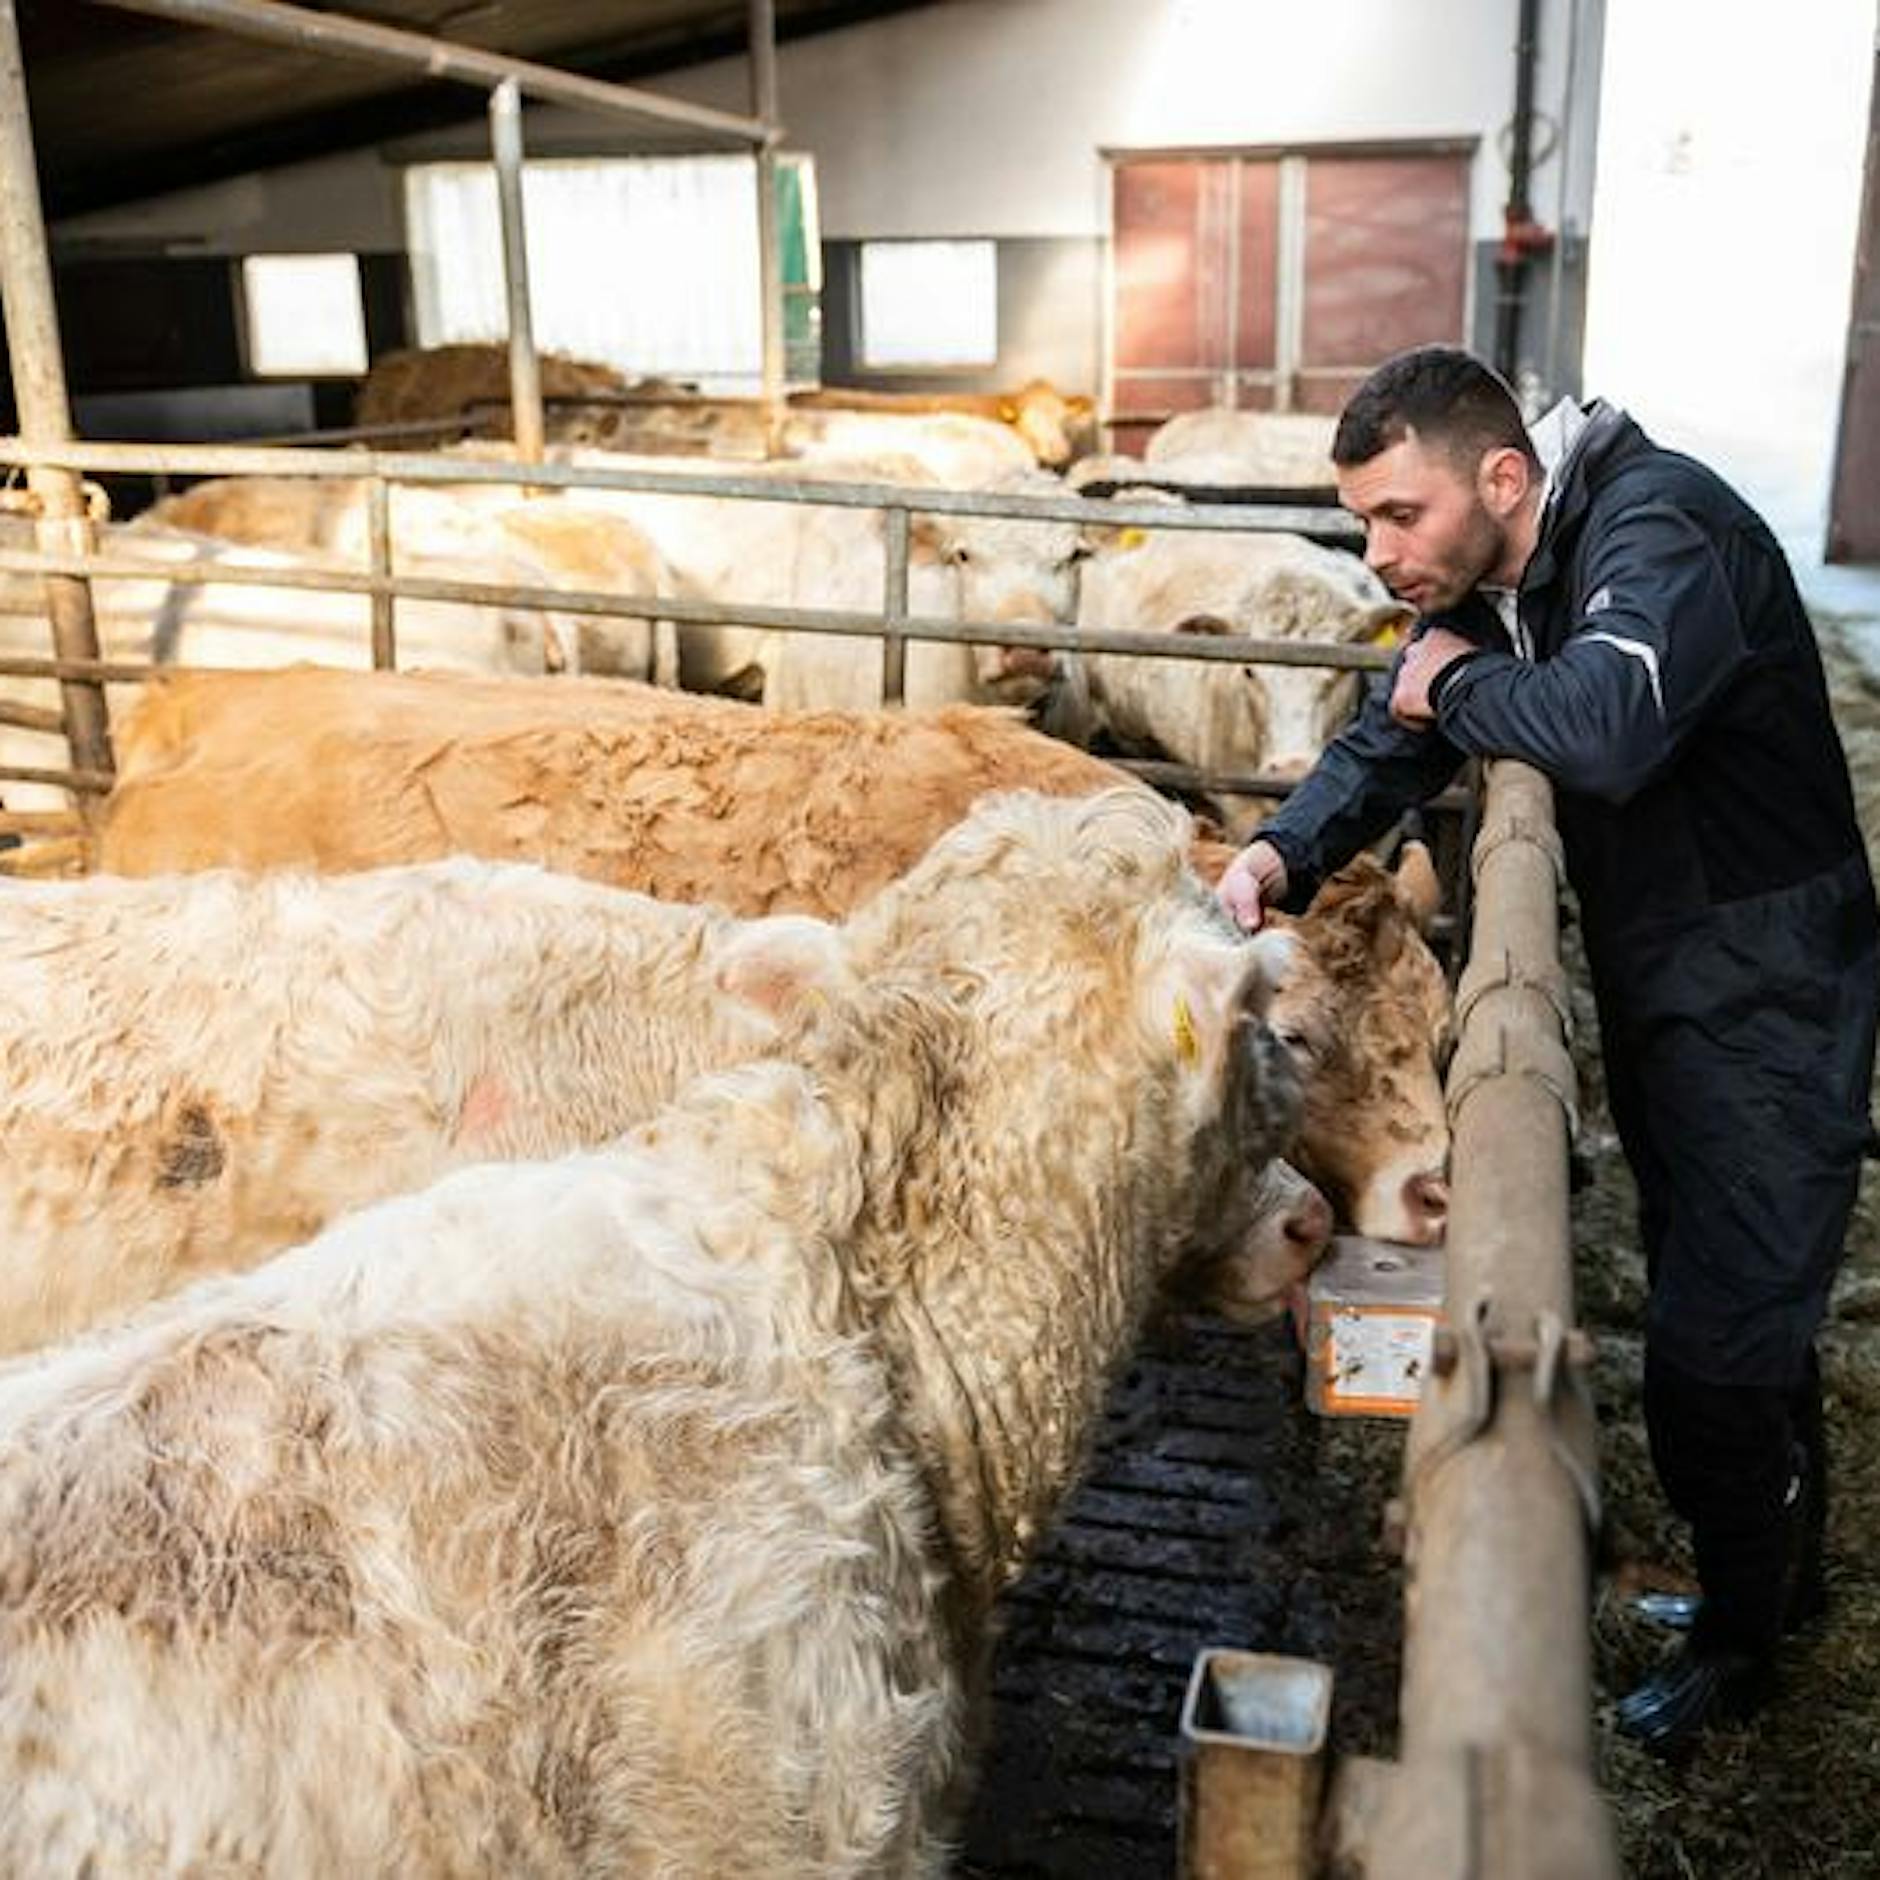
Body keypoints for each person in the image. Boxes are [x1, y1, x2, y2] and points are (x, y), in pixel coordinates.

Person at [1219, 344, 1878, 1756]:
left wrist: (1453, 690)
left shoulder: (1659, 529)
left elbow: (1610, 726)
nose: (1380, 551)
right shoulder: (1517, 570)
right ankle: (1775, 1577)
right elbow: (1396, 731)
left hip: (1768, 980)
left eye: (1401, 516)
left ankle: (1750, 1640)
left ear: (1504, 477)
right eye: (1364, 524)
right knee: (1730, 1285)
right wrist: (1277, 853)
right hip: (1678, 966)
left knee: (1719, 1331)